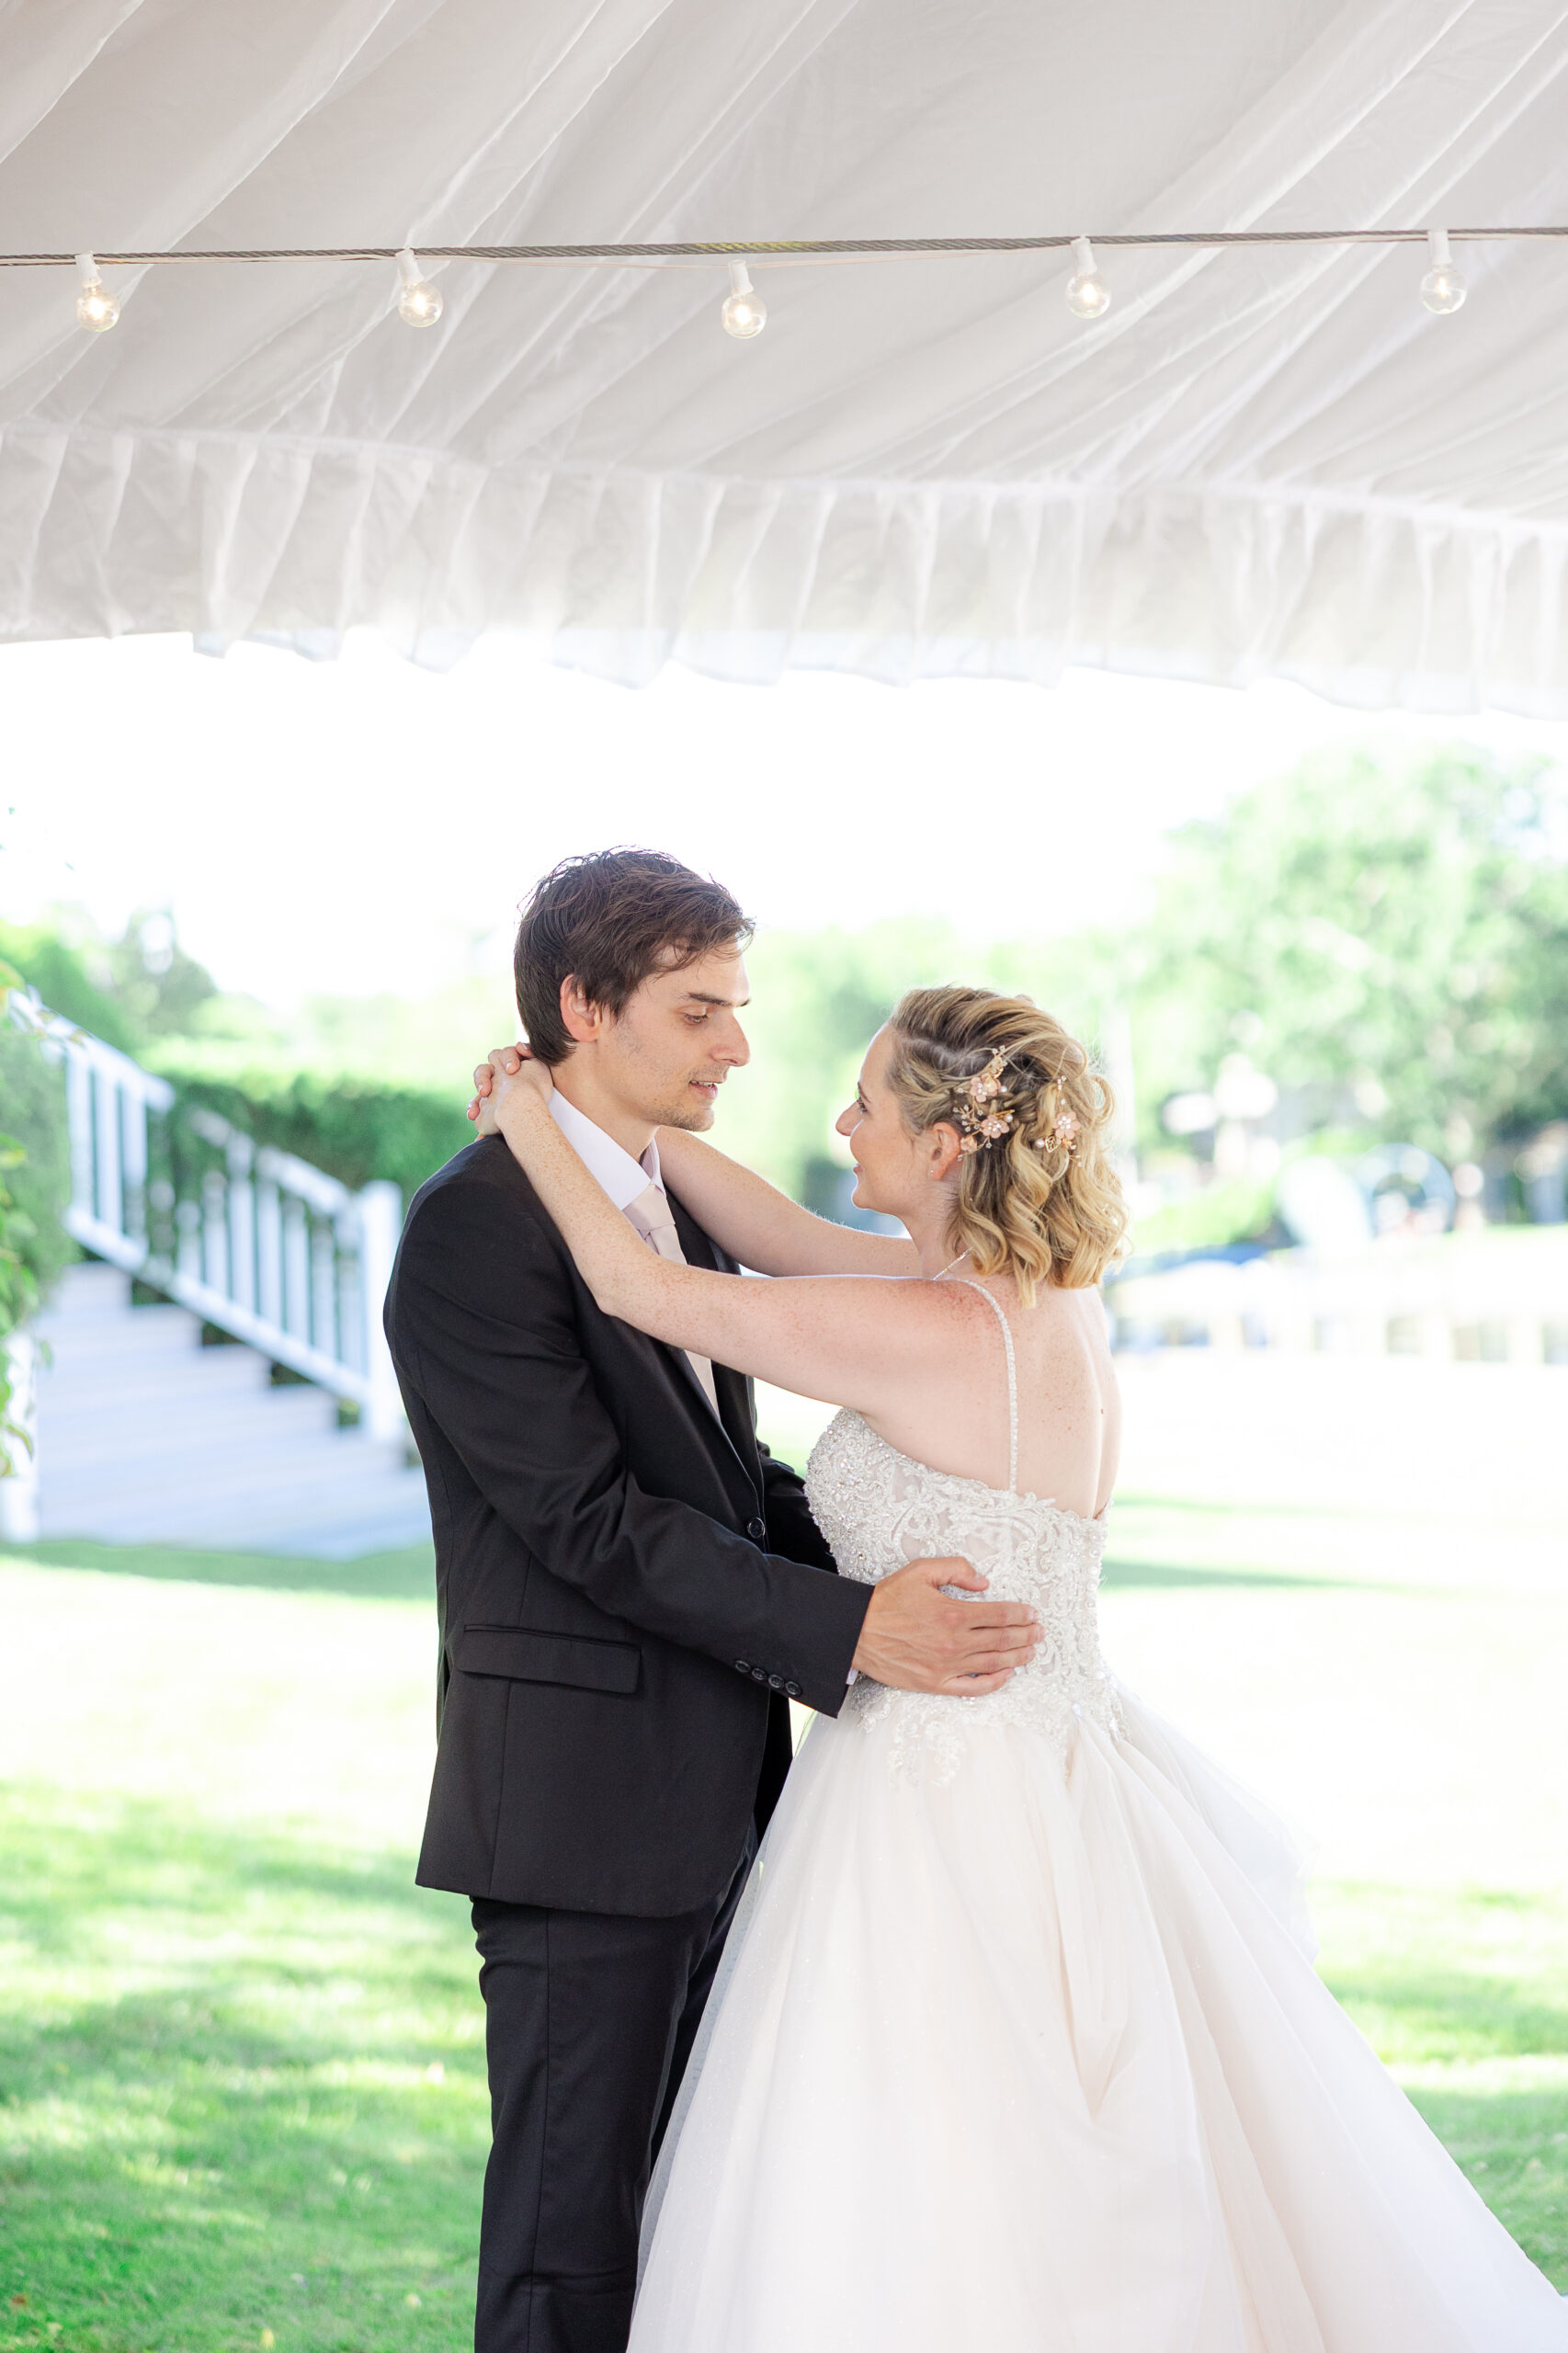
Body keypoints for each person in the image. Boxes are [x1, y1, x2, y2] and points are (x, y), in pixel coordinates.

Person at [470, 981, 1568, 2353]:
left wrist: (529, 1117)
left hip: (936, 1796)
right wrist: (623, 1128)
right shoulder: (1038, 1301)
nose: (840, 1122)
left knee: (928, 2159)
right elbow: (784, 1236)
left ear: (942, 1145)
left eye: (864, 1103)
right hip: (1064, 1769)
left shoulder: (925, 1327)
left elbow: (642, 1290)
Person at [382, 851, 1039, 2353]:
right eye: (698, 1010)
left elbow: (723, 1483)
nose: (737, 1045)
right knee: (568, 2253)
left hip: (729, 1799)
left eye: (736, 1007)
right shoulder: (476, 1227)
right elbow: (586, 1520)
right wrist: (850, 1631)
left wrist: (894, 1568)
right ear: (581, 1006)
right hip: (580, 1814)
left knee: (700, 2243)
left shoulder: (666, 1203)